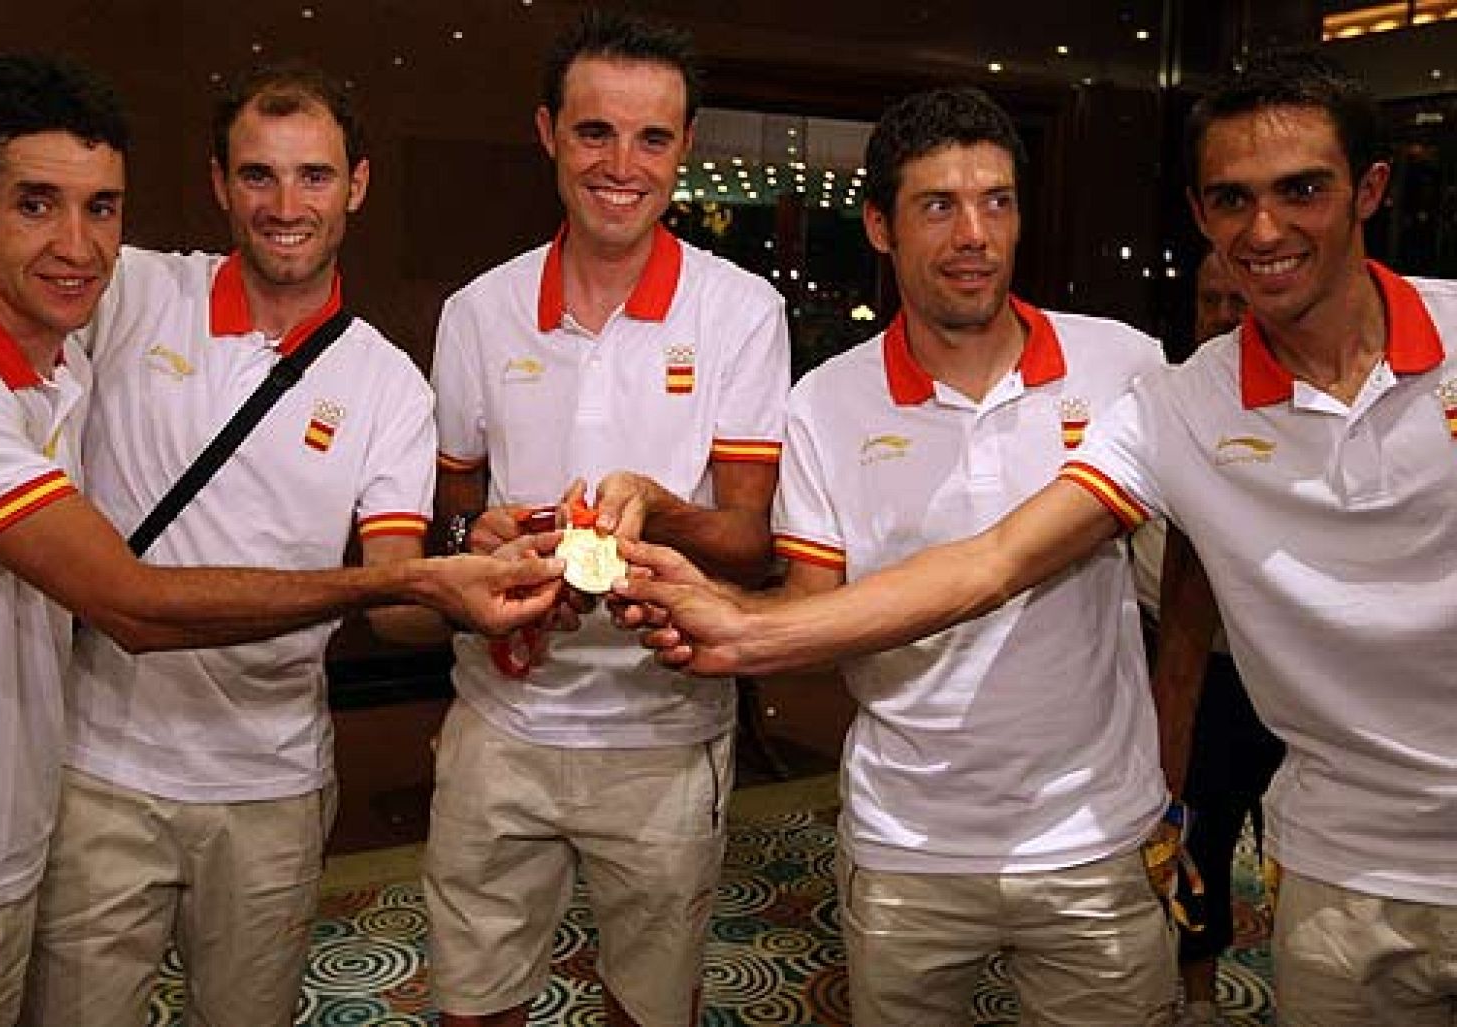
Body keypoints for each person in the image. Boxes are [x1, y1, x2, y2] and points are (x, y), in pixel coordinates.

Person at [618, 50, 1457, 1023]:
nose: (1264, 228)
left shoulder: (1128, 369)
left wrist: (1166, 775)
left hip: (1101, 830)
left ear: (1369, 190)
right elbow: (994, 562)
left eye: (1301, 188)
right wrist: (742, 628)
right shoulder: (1181, 404)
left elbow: (1180, 601)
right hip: (1328, 864)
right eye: (1234, 198)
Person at [0, 53, 561, 1027]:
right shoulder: (124, 291)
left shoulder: (388, 384)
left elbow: (397, 591)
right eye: (259, 174)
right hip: (96, 774)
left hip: (272, 785)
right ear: (220, 184)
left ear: (356, 185)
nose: (287, 205)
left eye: (314, 175)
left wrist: (464, 584)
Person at [764, 87, 1173, 1025]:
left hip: (1092, 834)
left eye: (997, 202)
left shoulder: (1123, 366)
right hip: (908, 844)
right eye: (939, 206)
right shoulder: (826, 403)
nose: (975, 235)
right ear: (880, 226)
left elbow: (1188, 579)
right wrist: (698, 606)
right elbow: (809, 616)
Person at [425, 10, 790, 1025]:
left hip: (665, 732)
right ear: (548, 131)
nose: (621, 166)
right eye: (595, 132)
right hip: (501, 719)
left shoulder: (739, 311)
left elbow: (752, 544)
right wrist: (477, 543)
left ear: (685, 146)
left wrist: (662, 511)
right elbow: (448, 525)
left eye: (651, 138)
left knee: (650, 1007)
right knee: (473, 1006)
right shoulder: (478, 311)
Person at [1133, 252, 1286, 1027]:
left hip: (1288, 678)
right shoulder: (1162, 409)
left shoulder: (1301, 414)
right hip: (1195, 672)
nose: (1224, 316)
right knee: (1202, 840)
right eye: (1209, 300)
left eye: (1239, 300)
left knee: (1294, 847)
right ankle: (1198, 1000)